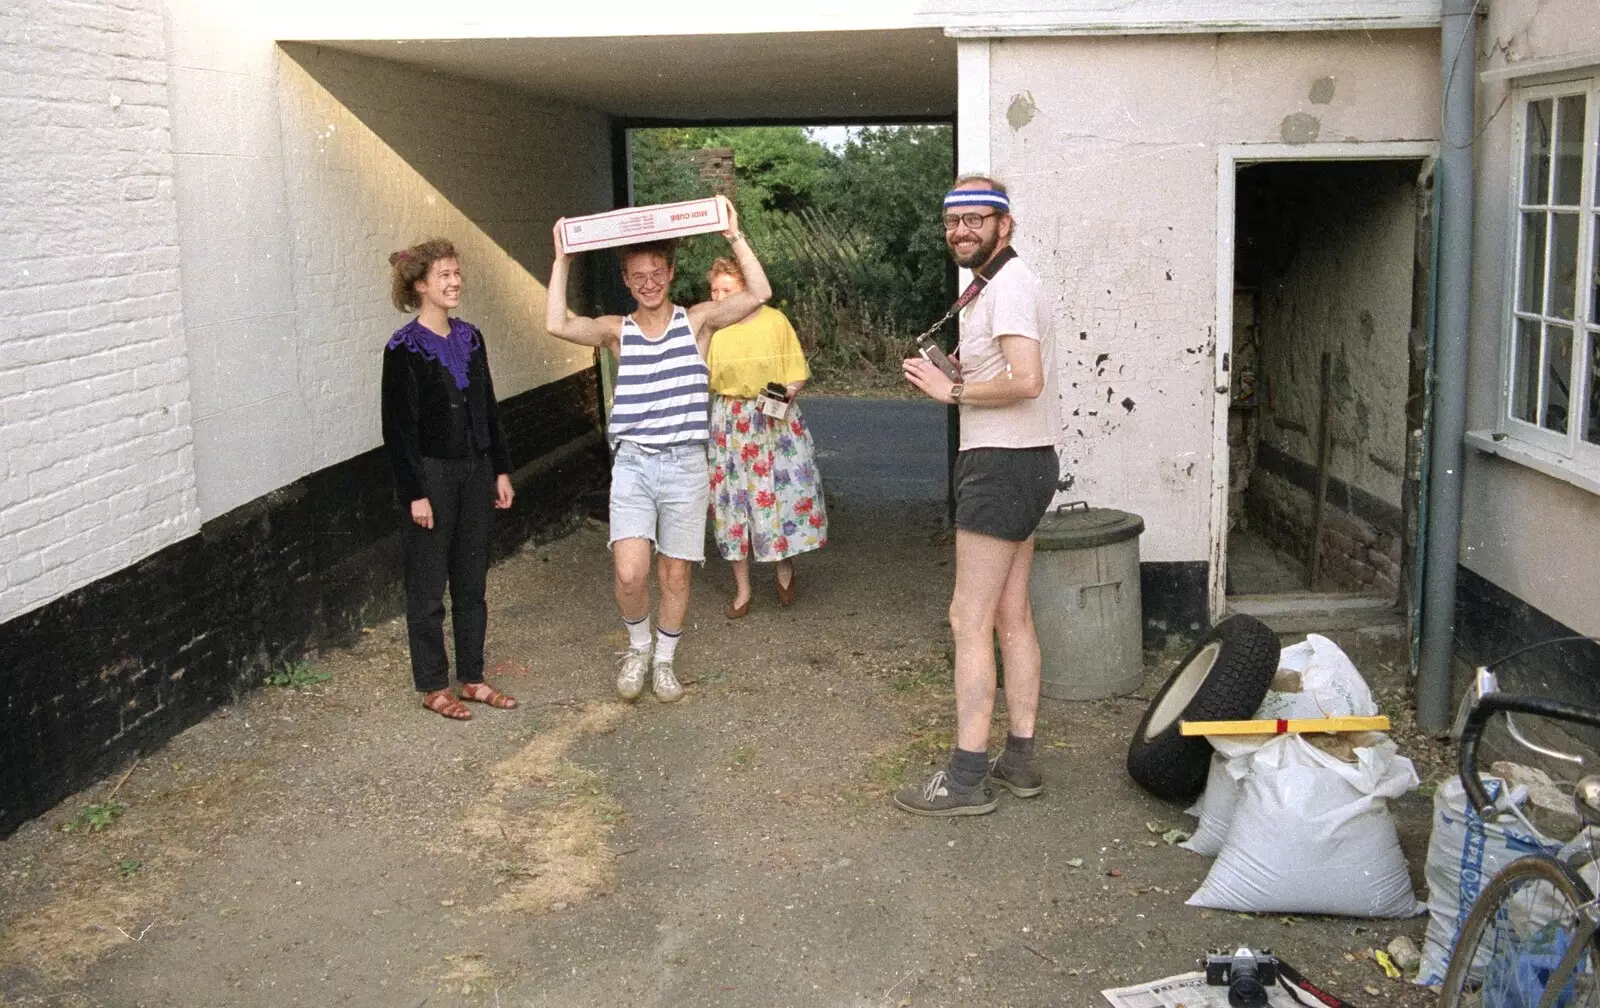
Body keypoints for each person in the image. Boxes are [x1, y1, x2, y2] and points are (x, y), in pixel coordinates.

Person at [545, 202, 772, 702]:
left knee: (675, 572)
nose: (648, 283)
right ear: (626, 281)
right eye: (637, 276)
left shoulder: (698, 323)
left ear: (670, 273)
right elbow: (557, 323)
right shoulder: (615, 331)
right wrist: (562, 258)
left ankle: (665, 661)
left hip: (686, 464)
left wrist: (734, 236)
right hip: (634, 464)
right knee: (630, 571)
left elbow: (760, 293)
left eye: (656, 273)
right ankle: (638, 647)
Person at [895, 177, 1060, 815]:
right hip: (1026, 461)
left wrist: (951, 393)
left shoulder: (1010, 286)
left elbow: (1028, 380)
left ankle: (964, 780)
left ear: (1004, 225)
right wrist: (961, 373)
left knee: (968, 617)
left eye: (975, 221)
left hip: (999, 466)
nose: (961, 231)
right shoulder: (993, 285)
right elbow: (1006, 373)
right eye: (952, 222)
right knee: (1009, 615)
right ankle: (1018, 758)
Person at [381, 238, 519, 721]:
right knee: (426, 582)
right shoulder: (403, 348)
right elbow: (397, 431)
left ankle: (473, 678)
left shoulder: (472, 337)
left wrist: (500, 468)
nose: (454, 281)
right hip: (431, 477)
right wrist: (415, 494)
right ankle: (433, 685)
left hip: (476, 471)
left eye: (456, 273)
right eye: (443, 275)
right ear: (420, 285)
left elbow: (489, 408)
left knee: (471, 579)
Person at [703, 257, 827, 619]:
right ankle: (742, 588)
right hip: (730, 422)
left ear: (745, 289)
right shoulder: (712, 328)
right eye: (715, 291)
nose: (721, 297)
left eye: (728, 290)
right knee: (732, 503)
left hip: (772, 416)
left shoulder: (775, 321)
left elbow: (796, 369)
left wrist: (786, 394)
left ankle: (783, 566)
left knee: (774, 495)